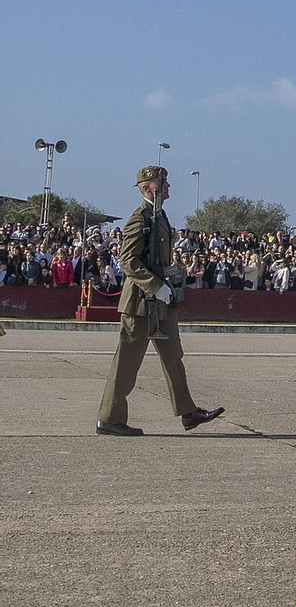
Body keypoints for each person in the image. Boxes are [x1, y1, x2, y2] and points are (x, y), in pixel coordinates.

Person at [94, 166, 225, 436]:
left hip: (160, 302)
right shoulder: (139, 218)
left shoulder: (158, 216)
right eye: (162, 183)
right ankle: (110, 418)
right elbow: (128, 261)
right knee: (127, 362)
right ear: (146, 188)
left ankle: (188, 412)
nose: (168, 187)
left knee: (173, 356)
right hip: (140, 304)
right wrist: (155, 286)